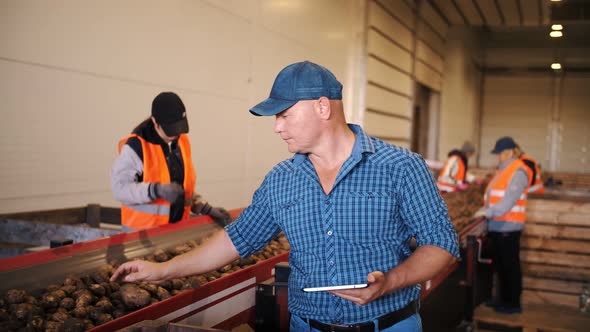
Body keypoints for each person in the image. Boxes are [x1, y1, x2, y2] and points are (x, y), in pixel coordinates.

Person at [111, 61, 459, 331]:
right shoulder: (282, 180)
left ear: (323, 108)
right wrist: (161, 270)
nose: (277, 126)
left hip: (390, 326)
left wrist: (391, 281)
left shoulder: (401, 168)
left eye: (285, 114)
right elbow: (236, 240)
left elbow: (441, 243)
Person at [111, 92, 231, 232]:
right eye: (170, 130)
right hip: (141, 238)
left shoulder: (181, 142)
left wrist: (201, 206)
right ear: (155, 122)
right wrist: (155, 190)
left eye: (179, 128)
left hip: (174, 234)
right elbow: (119, 189)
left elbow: (180, 186)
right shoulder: (137, 146)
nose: (175, 135)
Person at [474, 136, 533, 314]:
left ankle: (513, 303)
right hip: (498, 227)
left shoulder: (518, 171)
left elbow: (508, 201)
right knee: (500, 266)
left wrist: (488, 212)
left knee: (510, 266)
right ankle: (502, 299)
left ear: (507, 153)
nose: (497, 157)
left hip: (509, 227)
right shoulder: (504, 169)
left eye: (499, 154)